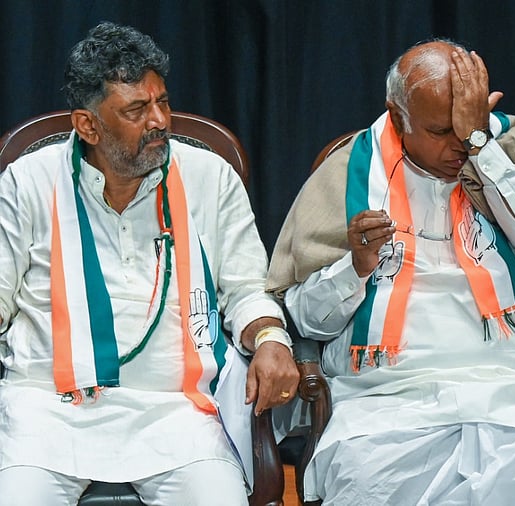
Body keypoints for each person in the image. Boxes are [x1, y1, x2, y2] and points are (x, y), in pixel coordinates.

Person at [267, 39, 515, 505]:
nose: (457, 146)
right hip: (389, 400)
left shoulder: (511, 147)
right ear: (397, 115)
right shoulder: (346, 176)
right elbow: (305, 320)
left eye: (465, 127)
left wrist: (486, 150)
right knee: (368, 483)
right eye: (441, 130)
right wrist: (353, 269)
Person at [0, 22, 300, 505]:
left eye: (162, 101)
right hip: (48, 414)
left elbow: (246, 289)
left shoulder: (209, 177)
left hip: (178, 414)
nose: (160, 119)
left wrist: (270, 338)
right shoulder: (29, 180)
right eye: (138, 109)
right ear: (88, 125)